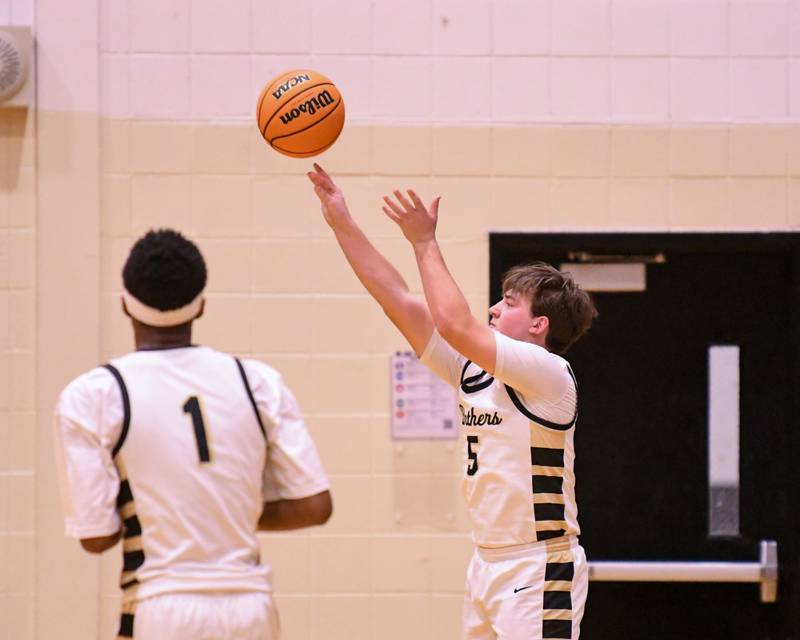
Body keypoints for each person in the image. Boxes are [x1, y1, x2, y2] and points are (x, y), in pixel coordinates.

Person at [307, 164, 597, 640]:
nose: (494, 309)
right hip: (486, 561)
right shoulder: (472, 370)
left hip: (537, 564)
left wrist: (424, 242)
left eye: (508, 303)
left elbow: (455, 324)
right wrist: (342, 222)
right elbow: (397, 298)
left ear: (539, 324)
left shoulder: (550, 374)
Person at [54, 229, 332, 640]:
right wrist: (222, 510)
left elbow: (97, 537)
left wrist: (174, 510)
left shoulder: (94, 394)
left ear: (124, 304)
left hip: (162, 605)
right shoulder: (257, 382)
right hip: (250, 606)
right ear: (200, 306)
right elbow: (314, 506)